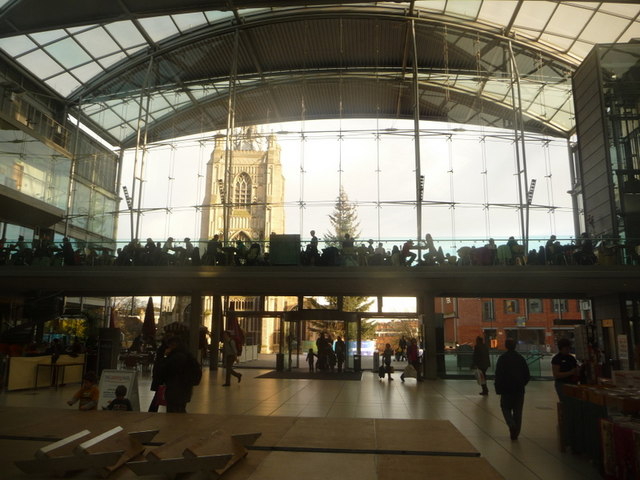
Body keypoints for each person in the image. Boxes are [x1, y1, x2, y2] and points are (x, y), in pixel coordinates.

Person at [494, 338, 530, 440]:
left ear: (506, 346)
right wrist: (522, 384)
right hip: (519, 389)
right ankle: (515, 433)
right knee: (518, 411)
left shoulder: (502, 358)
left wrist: (498, 387)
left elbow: (498, 374)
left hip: (506, 389)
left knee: (505, 408)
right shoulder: (520, 358)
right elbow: (527, 374)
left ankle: (511, 424)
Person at [158, 336, 193, 412]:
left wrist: (165, 356)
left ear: (173, 345)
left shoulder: (174, 357)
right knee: (181, 409)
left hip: (174, 389)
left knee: (173, 411)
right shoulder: (188, 355)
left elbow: (163, 370)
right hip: (185, 389)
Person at [551, 338, 579, 402]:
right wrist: (570, 372)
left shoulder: (571, 358)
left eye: (569, 348)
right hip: (562, 384)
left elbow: (575, 369)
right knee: (565, 402)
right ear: (561, 348)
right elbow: (556, 374)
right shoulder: (557, 359)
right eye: (566, 348)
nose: (568, 350)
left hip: (572, 383)